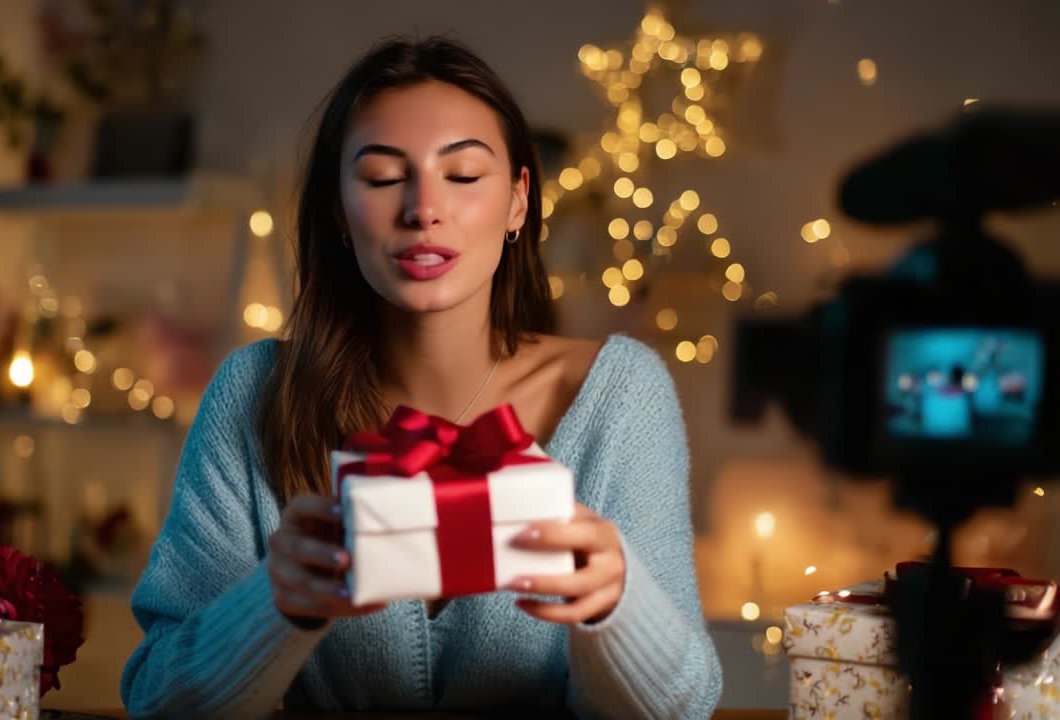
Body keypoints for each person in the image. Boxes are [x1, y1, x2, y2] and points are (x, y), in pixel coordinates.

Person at [120, 34, 722, 719]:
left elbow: (685, 707)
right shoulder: (252, 395)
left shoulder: (622, 398)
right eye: (381, 178)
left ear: (519, 201)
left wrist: (617, 607)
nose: (423, 209)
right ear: (339, 213)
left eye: (463, 175)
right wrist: (273, 605)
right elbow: (156, 700)